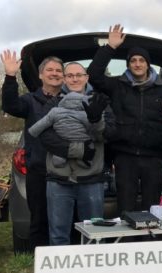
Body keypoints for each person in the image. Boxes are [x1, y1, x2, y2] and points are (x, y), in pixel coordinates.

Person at [87, 24, 162, 215]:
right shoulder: (117, 85)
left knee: (153, 210)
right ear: (128, 64)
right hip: (125, 157)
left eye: (142, 60)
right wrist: (110, 47)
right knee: (126, 209)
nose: (137, 64)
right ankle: (128, 243)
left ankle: (152, 243)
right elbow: (93, 75)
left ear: (148, 64)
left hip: (153, 158)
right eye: (133, 60)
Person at [29, 62, 107, 245]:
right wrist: (79, 151)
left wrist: (96, 120)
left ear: (86, 77)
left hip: (91, 179)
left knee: (95, 234)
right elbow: (45, 136)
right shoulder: (53, 103)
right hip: (58, 179)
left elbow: (108, 134)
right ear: (64, 79)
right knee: (58, 235)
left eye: (79, 75)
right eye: (70, 75)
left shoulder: (100, 101)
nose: (74, 79)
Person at [1, 51, 65, 252]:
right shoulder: (30, 100)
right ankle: (39, 264)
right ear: (40, 75)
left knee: (67, 219)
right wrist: (11, 77)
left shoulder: (72, 99)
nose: (54, 74)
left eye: (58, 71)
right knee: (38, 220)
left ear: (63, 76)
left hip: (66, 171)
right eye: (50, 70)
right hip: (38, 170)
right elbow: (10, 105)